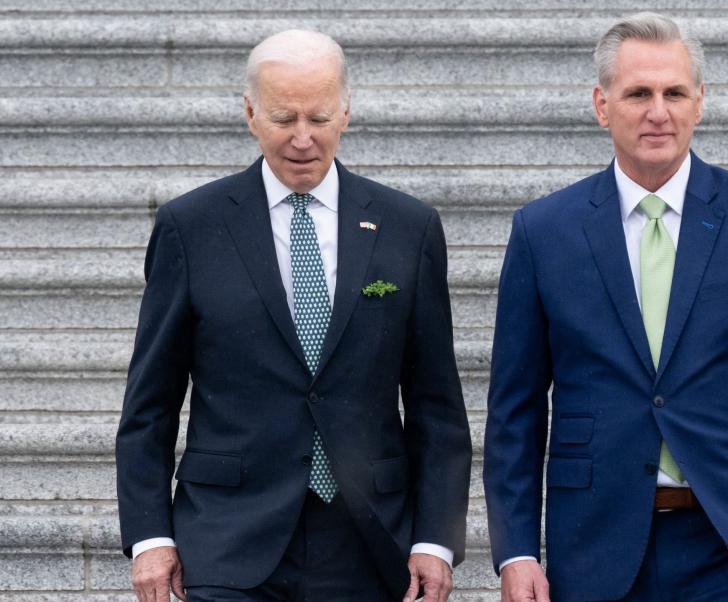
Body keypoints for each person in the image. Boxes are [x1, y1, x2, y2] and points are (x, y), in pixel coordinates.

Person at [483, 12, 728, 602]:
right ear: (602, 104)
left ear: (699, 102)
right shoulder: (543, 231)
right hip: (595, 543)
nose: (659, 111)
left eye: (674, 93)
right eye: (638, 94)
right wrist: (517, 550)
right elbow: (515, 412)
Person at [115, 29, 471, 602]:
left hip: (369, 537)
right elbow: (149, 404)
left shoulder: (410, 228)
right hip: (227, 536)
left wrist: (435, 540)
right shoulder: (191, 227)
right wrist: (151, 535)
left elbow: (437, 407)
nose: (303, 139)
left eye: (319, 117)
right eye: (283, 119)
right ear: (250, 114)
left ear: (347, 113)